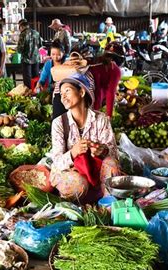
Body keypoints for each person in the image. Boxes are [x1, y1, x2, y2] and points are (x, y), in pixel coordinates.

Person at [50, 73, 120, 202]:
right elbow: (57, 162)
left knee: (112, 164)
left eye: (67, 91)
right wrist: (73, 153)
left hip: (94, 169)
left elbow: (114, 155)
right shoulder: (59, 123)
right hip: (69, 172)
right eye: (61, 93)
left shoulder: (101, 119)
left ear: (81, 92)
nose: (63, 96)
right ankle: (76, 206)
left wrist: (102, 151)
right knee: (78, 184)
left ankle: (107, 204)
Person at [88, 42, 123, 117]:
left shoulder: (95, 61)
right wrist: (109, 116)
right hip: (91, 99)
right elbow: (110, 92)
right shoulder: (115, 70)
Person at [17, 19, 41, 89]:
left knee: (27, 79)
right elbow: (40, 45)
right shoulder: (36, 33)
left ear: (21, 27)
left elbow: (19, 49)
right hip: (36, 59)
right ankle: (37, 92)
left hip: (26, 60)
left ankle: (29, 93)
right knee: (36, 77)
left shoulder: (23, 34)